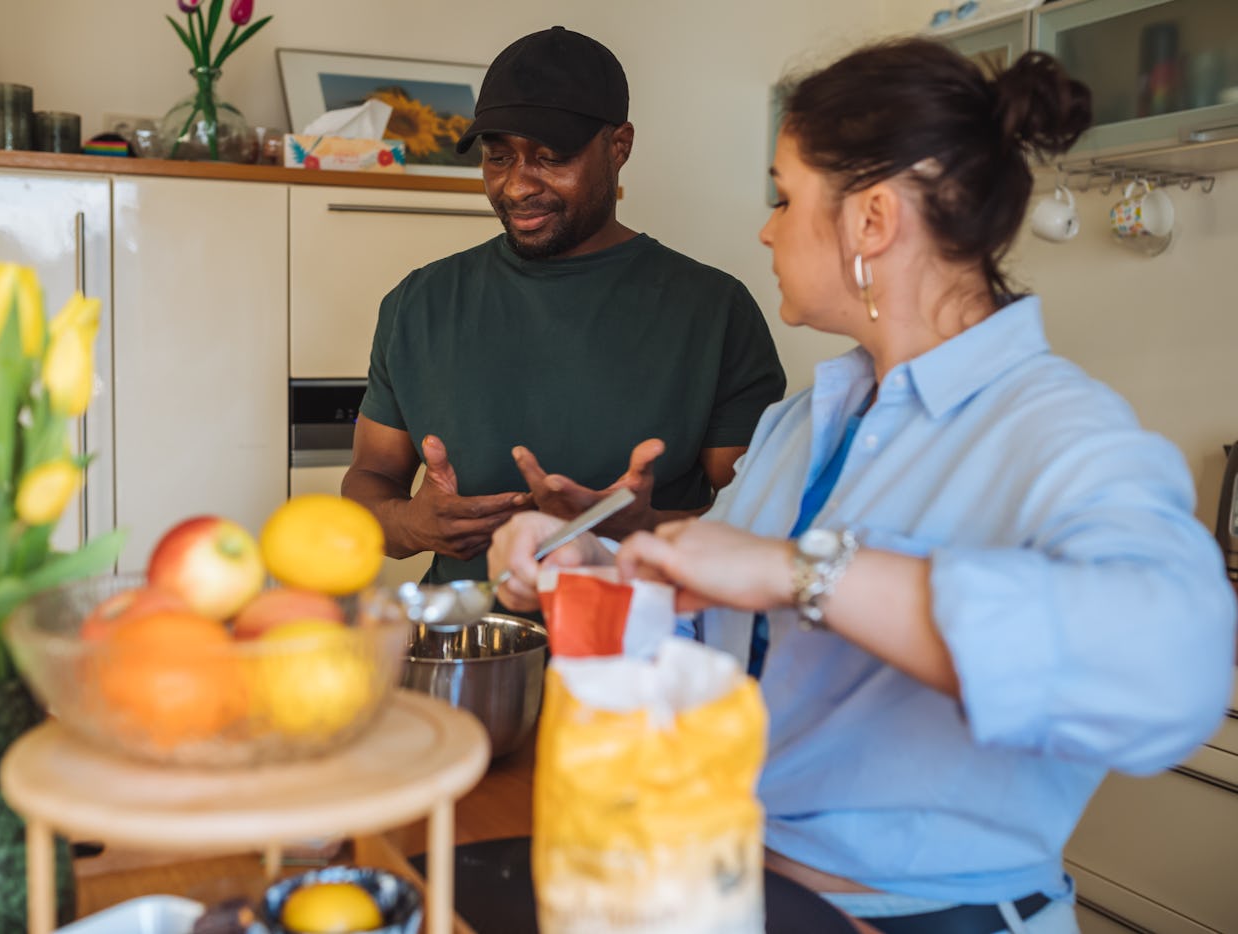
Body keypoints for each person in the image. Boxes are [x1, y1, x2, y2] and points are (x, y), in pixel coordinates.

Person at [488, 38, 1237, 934]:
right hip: (728, 885)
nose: (767, 227)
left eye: (784, 196)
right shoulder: (806, 420)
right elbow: (726, 629)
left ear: (872, 221)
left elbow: (1170, 670)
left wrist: (806, 571)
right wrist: (591, 565)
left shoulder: (1059, 431)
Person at [341, 25, 786, 593]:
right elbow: (371, 478)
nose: (518, 186)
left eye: (551, 158)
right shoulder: (417, 303)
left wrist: (645, 528)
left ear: (619, 146)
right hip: (466, 650)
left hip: (641, 655)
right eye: (498, 158)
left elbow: (760, 521)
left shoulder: (714, 310)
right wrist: (413, 524)